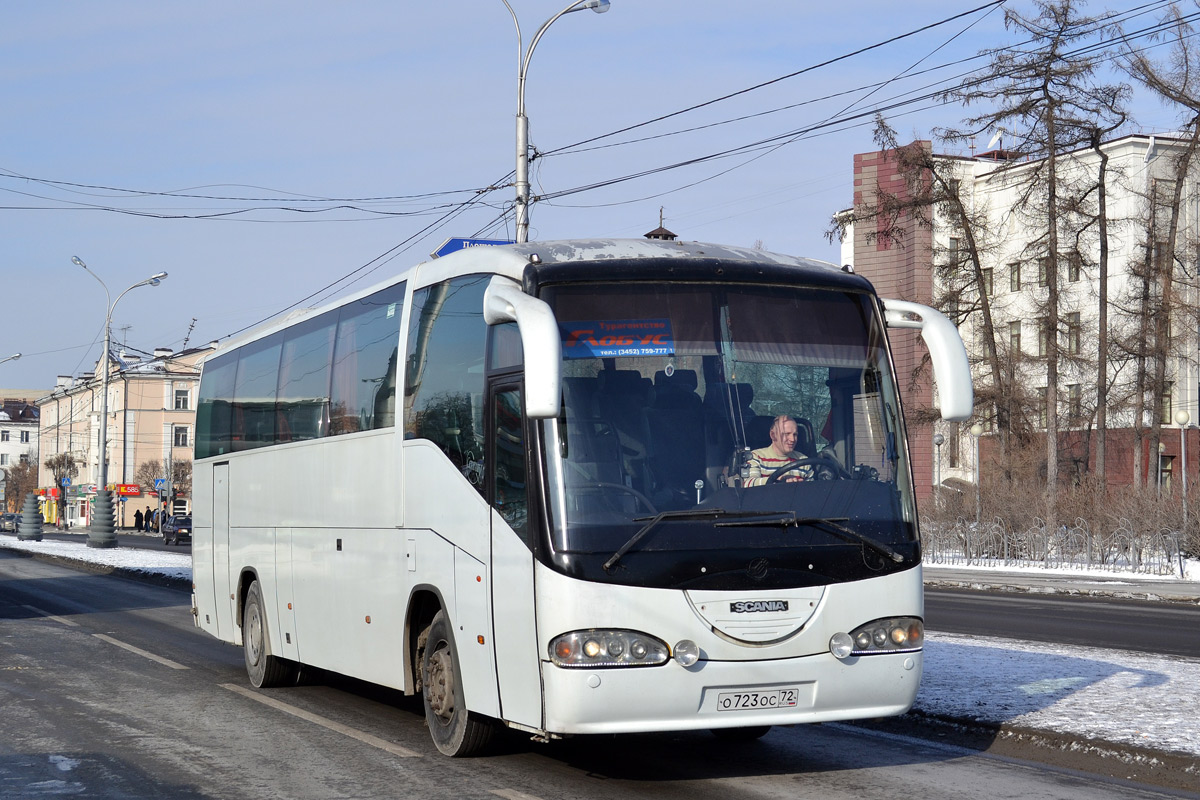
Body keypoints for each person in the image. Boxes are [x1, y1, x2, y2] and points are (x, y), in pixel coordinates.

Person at [745, 415, 813, 486]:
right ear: (773, 435)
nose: (792, 439)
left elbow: (812, 491)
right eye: (786, 434)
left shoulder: (804, 462)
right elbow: (748, 483)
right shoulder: (756, 457)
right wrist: (777, 480)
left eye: (795, 434)